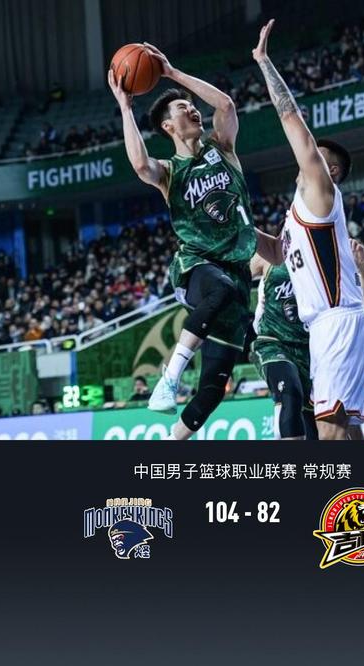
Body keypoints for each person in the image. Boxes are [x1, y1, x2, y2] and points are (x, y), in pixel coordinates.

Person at [108, 45, 279, 441]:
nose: (193, 109)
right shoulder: (171, 171)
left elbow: (226, 106)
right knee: (219, 288)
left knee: (214, 388)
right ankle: (169, 377)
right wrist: (125, 108)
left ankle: (171, 442)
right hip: (196, 267)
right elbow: (140, 165)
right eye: (183, 108)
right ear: (169, 127)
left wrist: (171, 73)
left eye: (191, 105)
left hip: (237, 276)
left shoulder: (223, 150)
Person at [252, 20, 364, 440]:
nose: (307, 160)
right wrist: (238, 224)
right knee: (347, 431)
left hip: (336, 321)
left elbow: (290, 117)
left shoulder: (322, 192)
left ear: (330, 170)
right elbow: (278, 254)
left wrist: (264, 62)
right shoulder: (297, 215)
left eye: (317, 157)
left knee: (330, 434)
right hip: (325, 327)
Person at [250, 239, 364, 440]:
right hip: (273, 341)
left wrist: (362, 264)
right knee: (290, 391)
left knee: (329, 425)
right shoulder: (269, 255)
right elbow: (237, 279)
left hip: (313, 347)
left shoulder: (327, 254)